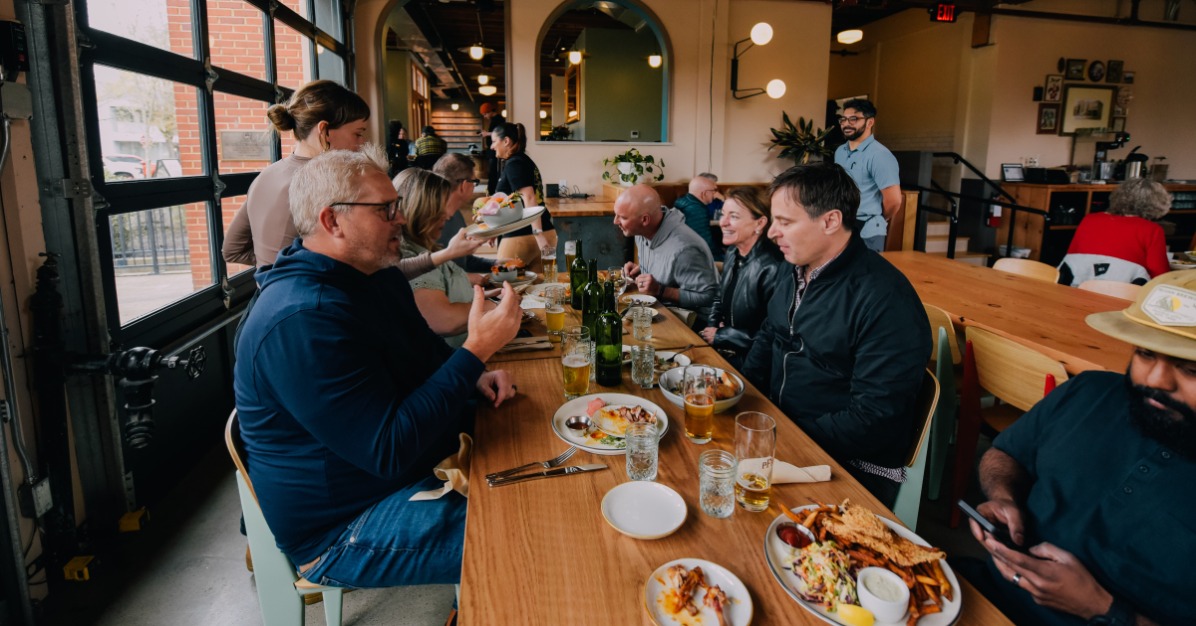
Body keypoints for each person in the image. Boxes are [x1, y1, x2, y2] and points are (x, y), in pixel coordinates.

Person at [234, 146, 521, 591]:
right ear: (332, 221)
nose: (400, 219)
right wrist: (475, 352)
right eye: (385, 209)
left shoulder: (374, 273)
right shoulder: (301, 319)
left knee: (536, 467)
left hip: (400, 470)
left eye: (397, 205)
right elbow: (389, 451)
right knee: (520, 536)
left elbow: (424, 351)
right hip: (344, 526)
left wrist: (474, 375)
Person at [958, 270, 1196, 626]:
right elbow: (1005, 454)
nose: (1155, 379)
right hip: (984, 595)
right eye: (1146, 353)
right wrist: (1004, 496)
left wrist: (1101, 608)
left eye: (1190, 369)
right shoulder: (1090, 391)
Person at [741, 163, 929, 507]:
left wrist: (785, 439)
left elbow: (874, 419)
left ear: (830, 221)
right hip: (785, 433)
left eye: (785, 222)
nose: (771, 233)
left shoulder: (886, 299)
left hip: (850, 465)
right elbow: (771, 333)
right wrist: (741, 394)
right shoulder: (794, 268)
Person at [222, 80, 369, 268]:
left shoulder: (266, 175)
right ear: (324, 131)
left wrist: (274, 267)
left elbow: (232, 250)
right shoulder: (329, 183)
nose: (361, 144)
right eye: (358, 134)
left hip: (270, 286)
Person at [398, 167, 496, 348]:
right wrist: (492, 306)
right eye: (440, 206)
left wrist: (484, 297)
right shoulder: (409, 254)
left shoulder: (427, 248)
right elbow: (444, 321)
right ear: (421, 208)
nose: (448, 215)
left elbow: (447, 290)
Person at [700, 187, 785, 369]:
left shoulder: (773, 266)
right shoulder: (733, 251)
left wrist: (724, 335)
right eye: (723, 214)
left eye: (734, 216)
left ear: (760, 223)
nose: (723, 222)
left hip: (754, 363)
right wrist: (712, 329)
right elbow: (719, 296)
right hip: (726, 349)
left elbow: (774, 336)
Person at [615, 184, 719, 324]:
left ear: (645, 220)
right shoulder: (642, 231)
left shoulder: (684, 249)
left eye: (622, 217)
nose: (615, 221)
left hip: (692, 323)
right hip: (658, 309)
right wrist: (640, 268)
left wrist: (660, 290)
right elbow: (668, 263)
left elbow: (710, 297)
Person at [1057, 178, 1172, 286]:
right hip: (1123, 295)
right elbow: (1160, 275)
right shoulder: (1152, 229)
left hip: (1077, 289)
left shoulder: (1089, 219)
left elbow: (1072, 259)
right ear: (1156, 204)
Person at [833, 99, 902, 252]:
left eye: (854, 119)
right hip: (842, 225)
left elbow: (894, 201)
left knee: (866, 268)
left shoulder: (880, 155)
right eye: (843, 119)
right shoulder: (840, 152)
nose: (846, 124)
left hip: (868, 229)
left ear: (870, 122)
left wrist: (878, 217)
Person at [491, 122, 557, 272]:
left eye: (494, 141)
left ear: (506, 141)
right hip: (546, 232)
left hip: (522, 236)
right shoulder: (524, 161)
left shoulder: (514, 164)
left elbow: (529, 197)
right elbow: (510, 203)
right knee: (537, 285)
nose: (492, 146)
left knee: (502, 282)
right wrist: (495, 230)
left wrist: (538, 235)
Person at [433, 153, 498, 273]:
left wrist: (496, 264)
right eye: (474, 181)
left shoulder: (456, 214)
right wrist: (466, 278)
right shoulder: (428, 221)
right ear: (463, 185)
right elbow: (425, 271)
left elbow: (465, 261)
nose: (474, 186)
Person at [673, 173, 722, 254]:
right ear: (704, 193)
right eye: (713, 190)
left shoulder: (683, 200)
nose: (715, 193)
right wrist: (723, 257)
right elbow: (706, 244)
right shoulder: (697, 210)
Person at [479, 102, 505, 195]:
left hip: (495, 151)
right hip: (493, 151)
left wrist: (487, 134)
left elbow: (500, 132)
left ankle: (492, 191)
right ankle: (491, 190)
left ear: (490, 111)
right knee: (492, 172)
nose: (485, 116)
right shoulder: (494, 120)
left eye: (485, 114)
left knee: (493, 172)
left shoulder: (498, 119)